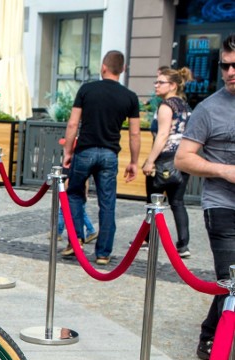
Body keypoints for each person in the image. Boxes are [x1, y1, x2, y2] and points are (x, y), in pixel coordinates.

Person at [175, 33, 235, 360]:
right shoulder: (209, 109)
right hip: (222, 206)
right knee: (231, 277)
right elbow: (183, 158)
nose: (229, 71)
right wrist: (225, 171)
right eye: (225, 65)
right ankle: (210, 335)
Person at [61, 50, 140, 266]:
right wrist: (134, 161)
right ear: (122, 70)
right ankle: (103, 253)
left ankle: (76, 240)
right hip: (109, 154)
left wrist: (68, 151)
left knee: (75, 194)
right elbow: (134, 133)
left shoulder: (87, 90)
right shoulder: (130, 97)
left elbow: (72, 124)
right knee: (107, 202)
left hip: (85, 150)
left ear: (103, 67)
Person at [140, 66, 194, 258]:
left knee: (153, 201)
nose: (156, 85)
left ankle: (147, 239)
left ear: (172, 85)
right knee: (178, 202)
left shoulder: (166, 106)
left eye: (160, 82)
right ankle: (183, 245)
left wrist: (149, 161)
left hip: (165, 158)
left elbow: (162, 136)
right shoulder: (185, 106)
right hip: (182, 158)